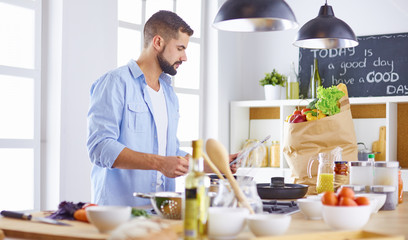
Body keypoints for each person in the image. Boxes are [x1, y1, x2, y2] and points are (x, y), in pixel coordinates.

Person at [87, 10, 237, 207]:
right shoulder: (115, 82)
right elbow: (100, 147)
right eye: (180, 48)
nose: (185, 57)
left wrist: (219, 165)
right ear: (158, 42)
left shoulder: (168, 93)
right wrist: (159, 163)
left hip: (161, 210)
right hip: (119, 214)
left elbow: (171, 152)